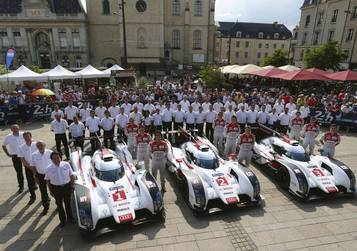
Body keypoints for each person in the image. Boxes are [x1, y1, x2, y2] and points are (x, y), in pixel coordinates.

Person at [45, 151, 75, 228]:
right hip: (56, 188)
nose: (56, 160)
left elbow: (71, 176)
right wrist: (50, 191)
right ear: (51, 160)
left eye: (57, 158)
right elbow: (48, 180)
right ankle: (62, 221)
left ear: (60, 157)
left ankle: (70, 219)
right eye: (54, 158)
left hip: (66, 187)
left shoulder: (66, 164)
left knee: (67, 203)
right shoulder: (48, 168)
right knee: (59, 205)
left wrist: (72, 185)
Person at [2, 124, 25, 193]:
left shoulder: (23, 134)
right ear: (11, 130)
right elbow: (3, 145)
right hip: (15, 156)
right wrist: (8, 154)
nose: (15, 130)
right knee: (19, 172)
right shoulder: (8, 137)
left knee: (29, 171)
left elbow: (30, 142)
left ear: (19, 128)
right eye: (14, 129)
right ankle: (21, 186)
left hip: (25, 155)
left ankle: (33, 184)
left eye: (17, 128)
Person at [31, 141, 52, 215]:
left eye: (41, 145)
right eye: (38, 145)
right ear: (37, 147)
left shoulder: (50, 152)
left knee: (54, 190)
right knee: (43, 191)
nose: (40, 147)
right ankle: (46, 207)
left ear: (45, 145)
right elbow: (33, 166)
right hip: (41, 175)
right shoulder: (34, 155)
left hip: (51, 175)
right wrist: (35, 177)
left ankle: (58, 205)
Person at [18, 132, 37, 205]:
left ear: (31, 136)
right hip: (28, 167)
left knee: (42, 183)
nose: (26, 138)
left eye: (28, 137)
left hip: (37, 166)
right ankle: (32, 196)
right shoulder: (21, 147)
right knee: (30, 182)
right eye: (25, 137)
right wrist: (29, 167)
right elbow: (22, 159)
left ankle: (45, 197)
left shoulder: (36, 144)